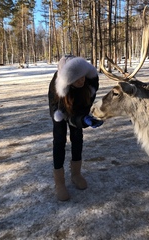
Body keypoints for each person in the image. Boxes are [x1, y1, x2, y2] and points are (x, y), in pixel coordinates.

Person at [48, 55, 103, 201]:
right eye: (77, 78)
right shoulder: (58, 89)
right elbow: (64, 114)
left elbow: (84, 108)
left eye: (83, 76)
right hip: (59, 109)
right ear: (69, 80)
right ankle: (59, 182)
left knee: (77, 137)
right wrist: (78, 119)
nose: (82, 80)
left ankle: (76, 174)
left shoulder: (89, 84)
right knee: (59, 140)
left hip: (75, 107)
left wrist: (85, 119)